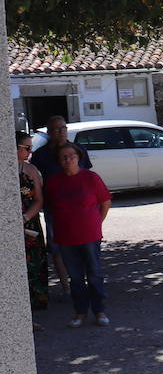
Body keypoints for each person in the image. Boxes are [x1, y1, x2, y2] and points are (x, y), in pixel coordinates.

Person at [46, 143, 112, 328]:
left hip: (90, 234)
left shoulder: (91, 178)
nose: (68, 159)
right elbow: (50, 207)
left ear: (79, 156)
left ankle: (99, 311)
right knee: (75, 277)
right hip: (66, 236)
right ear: (59, 161)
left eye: (71, 155)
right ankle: (80, 312)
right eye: (64, 157)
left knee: (94, 273)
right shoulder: (53, 182)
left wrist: (97, 222)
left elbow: (105, 202)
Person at [31, 115, 90, 294]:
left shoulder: (78, 150)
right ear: (49, 133)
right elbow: (36, 182)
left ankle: (83, 283)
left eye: (63, 128)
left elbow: (86, 177)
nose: (61, 132)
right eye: (56, 129)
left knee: (83, 245)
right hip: (54, 209)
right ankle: (66, 287)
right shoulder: (41, 155)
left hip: (79, 209)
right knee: (57, 248)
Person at [17, 131, 48, 314]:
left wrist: (25, 218)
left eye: (31, 148)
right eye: (26, 148)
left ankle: (34, 309)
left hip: (30, 223)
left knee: (34, 265)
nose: (30, 152)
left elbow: (39, 200)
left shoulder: (31, 170)